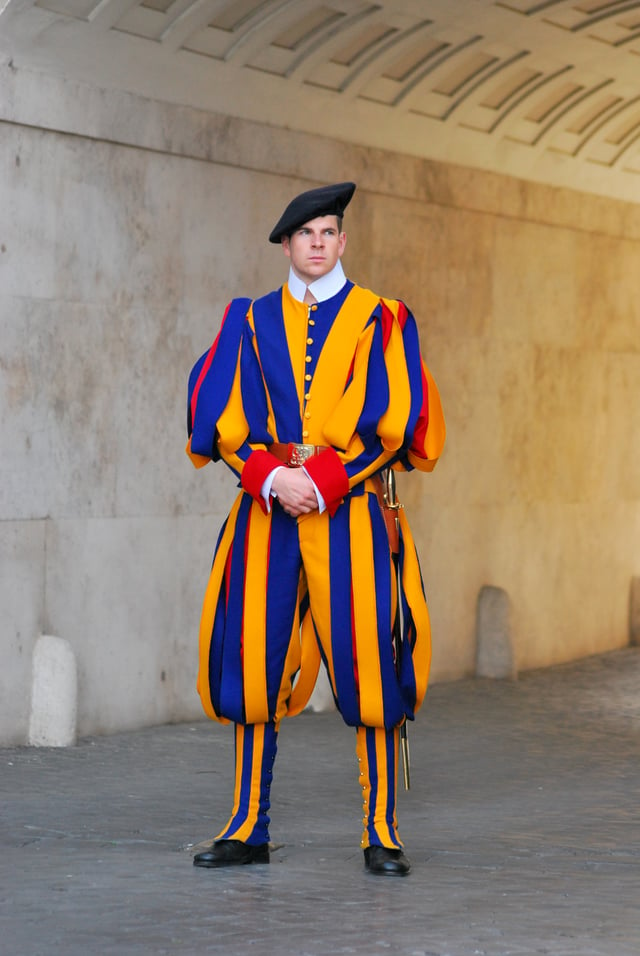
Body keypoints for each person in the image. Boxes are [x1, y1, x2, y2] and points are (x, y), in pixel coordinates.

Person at [186, 181, 445, 876]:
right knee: (253, 663)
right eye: (307, 234)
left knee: (370, 668)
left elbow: (396, 416)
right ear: (286, 244)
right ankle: (247, 826)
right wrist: (273, 478)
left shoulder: (381, 319)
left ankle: (381, 830)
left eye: (330, 231)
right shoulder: (248, 319)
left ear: (343, 240)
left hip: (351, 513)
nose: (319, 242)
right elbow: (221, 417)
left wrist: (326, 481)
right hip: (266, 514)